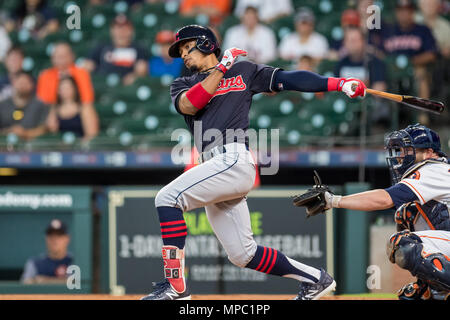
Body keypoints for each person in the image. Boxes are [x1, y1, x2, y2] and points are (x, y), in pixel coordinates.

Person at [140, 24, 366, 300]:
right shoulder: (183, 83)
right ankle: (316, 279)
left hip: (233, 159)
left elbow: (291, 79)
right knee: (243, 255)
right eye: (181, 51)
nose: (184, 55)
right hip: (214, 167)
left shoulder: (243, 71)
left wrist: (339, 84)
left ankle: (175, 287)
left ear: (207, 44)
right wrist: (222, 67)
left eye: (188, 47)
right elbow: (191, 105)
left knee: (167, 198)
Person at [294, 124, 449, 300]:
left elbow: (385, 199)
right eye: (401, 150)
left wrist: (333, 200)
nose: (401, 156)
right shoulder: (439, 169)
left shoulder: (433, 169)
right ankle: (433, 288)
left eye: (409, 150)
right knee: (406, 213)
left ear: (429, 152)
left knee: (404, 244)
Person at [383, 0, 438, 101]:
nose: (404, 14)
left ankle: (422, 112)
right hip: (391, 70)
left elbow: (431, 54)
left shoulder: (423, 30)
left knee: (421, 73)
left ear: (412, 12)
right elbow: (380, 53)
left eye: (407, 10)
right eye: (401, 11)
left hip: (414, 69)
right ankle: (386, 112)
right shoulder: (387, 30)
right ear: (396, 12)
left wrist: (411, 62)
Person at [82, 14, 149, 85]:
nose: (121, 32)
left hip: (127, 86)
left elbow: (142, 68)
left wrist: (135, 76)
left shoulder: (139, 49)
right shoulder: (102, 47)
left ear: (131, 31)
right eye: (118, 28)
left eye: (125, 28)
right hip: (104, 84)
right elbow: (88, 64)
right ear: (112, 31)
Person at [46, 76, 99, 140]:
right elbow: (52, 133)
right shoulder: (54, 110)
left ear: (75, 89)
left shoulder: (85, 108)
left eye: (68, 88)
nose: (65, 91)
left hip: (80, 147)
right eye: (62, 88)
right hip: (61, 147)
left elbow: (92, 135)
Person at [21, 219, 73, 284]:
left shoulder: (74, 261)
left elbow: (76, 283)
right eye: (51, 235)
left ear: (67, 239)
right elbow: (25, 283)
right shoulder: (35, 263)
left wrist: (44, 280)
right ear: (46, 239)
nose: (55, 239)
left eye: (59, 235)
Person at [0, 71, 48, 140]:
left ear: (32, 85)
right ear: (13, 83)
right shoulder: (2, 105)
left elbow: (44, 128)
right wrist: (9, 131)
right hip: (4, 147)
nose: (22, 86)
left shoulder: (40, 105)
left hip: (33, 147)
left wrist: (25, 133)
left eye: (26, 83)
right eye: (20, 83)